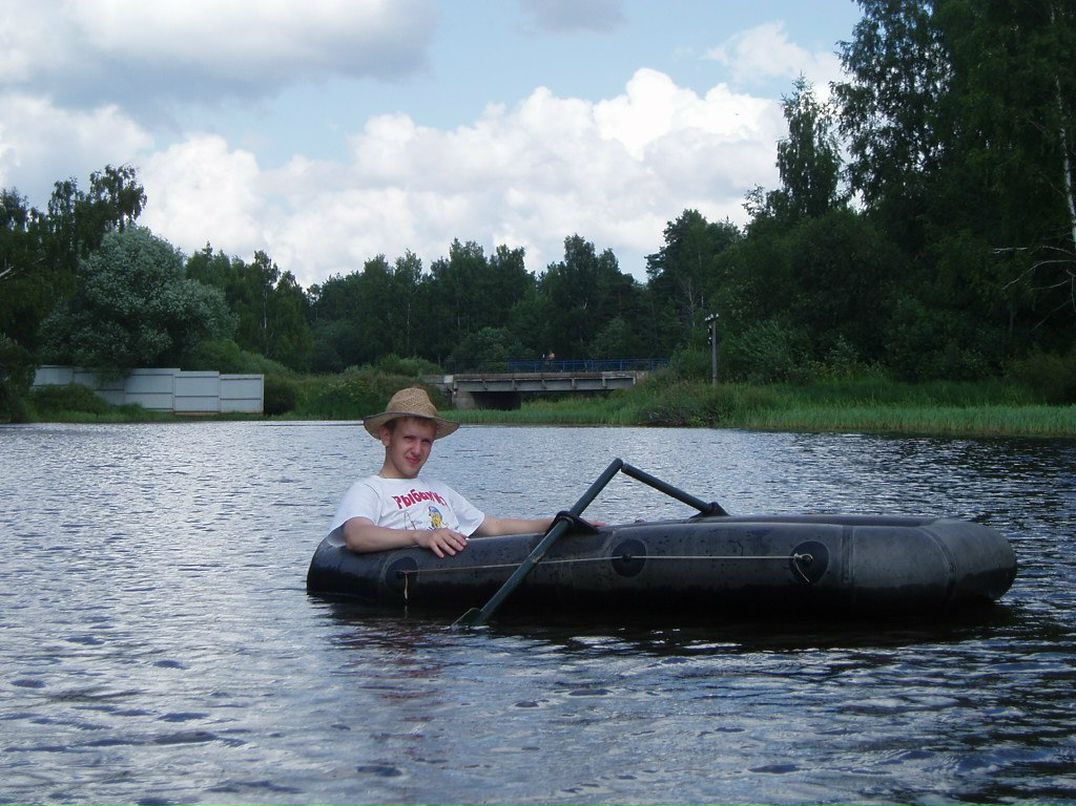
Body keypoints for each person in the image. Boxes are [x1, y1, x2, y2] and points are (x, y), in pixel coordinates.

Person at [328, 387, 554, 558]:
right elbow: (357, 536)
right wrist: (421, 536)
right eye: (409, 439)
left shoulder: (440, 490)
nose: (417, 450)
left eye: (426, 441)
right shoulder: (369, 489)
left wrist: (553, 523)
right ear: (387, 437)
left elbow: (495, 527)